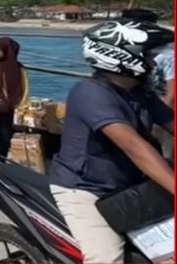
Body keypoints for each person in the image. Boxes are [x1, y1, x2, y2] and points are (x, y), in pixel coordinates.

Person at [49, 20, 174, 264]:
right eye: (148, 56)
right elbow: (135, 147)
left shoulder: (139, 93)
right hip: (86, 190)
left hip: (129, 186)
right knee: (106, 259)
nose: (154, 63)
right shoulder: (90, 92)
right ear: (122, 56)